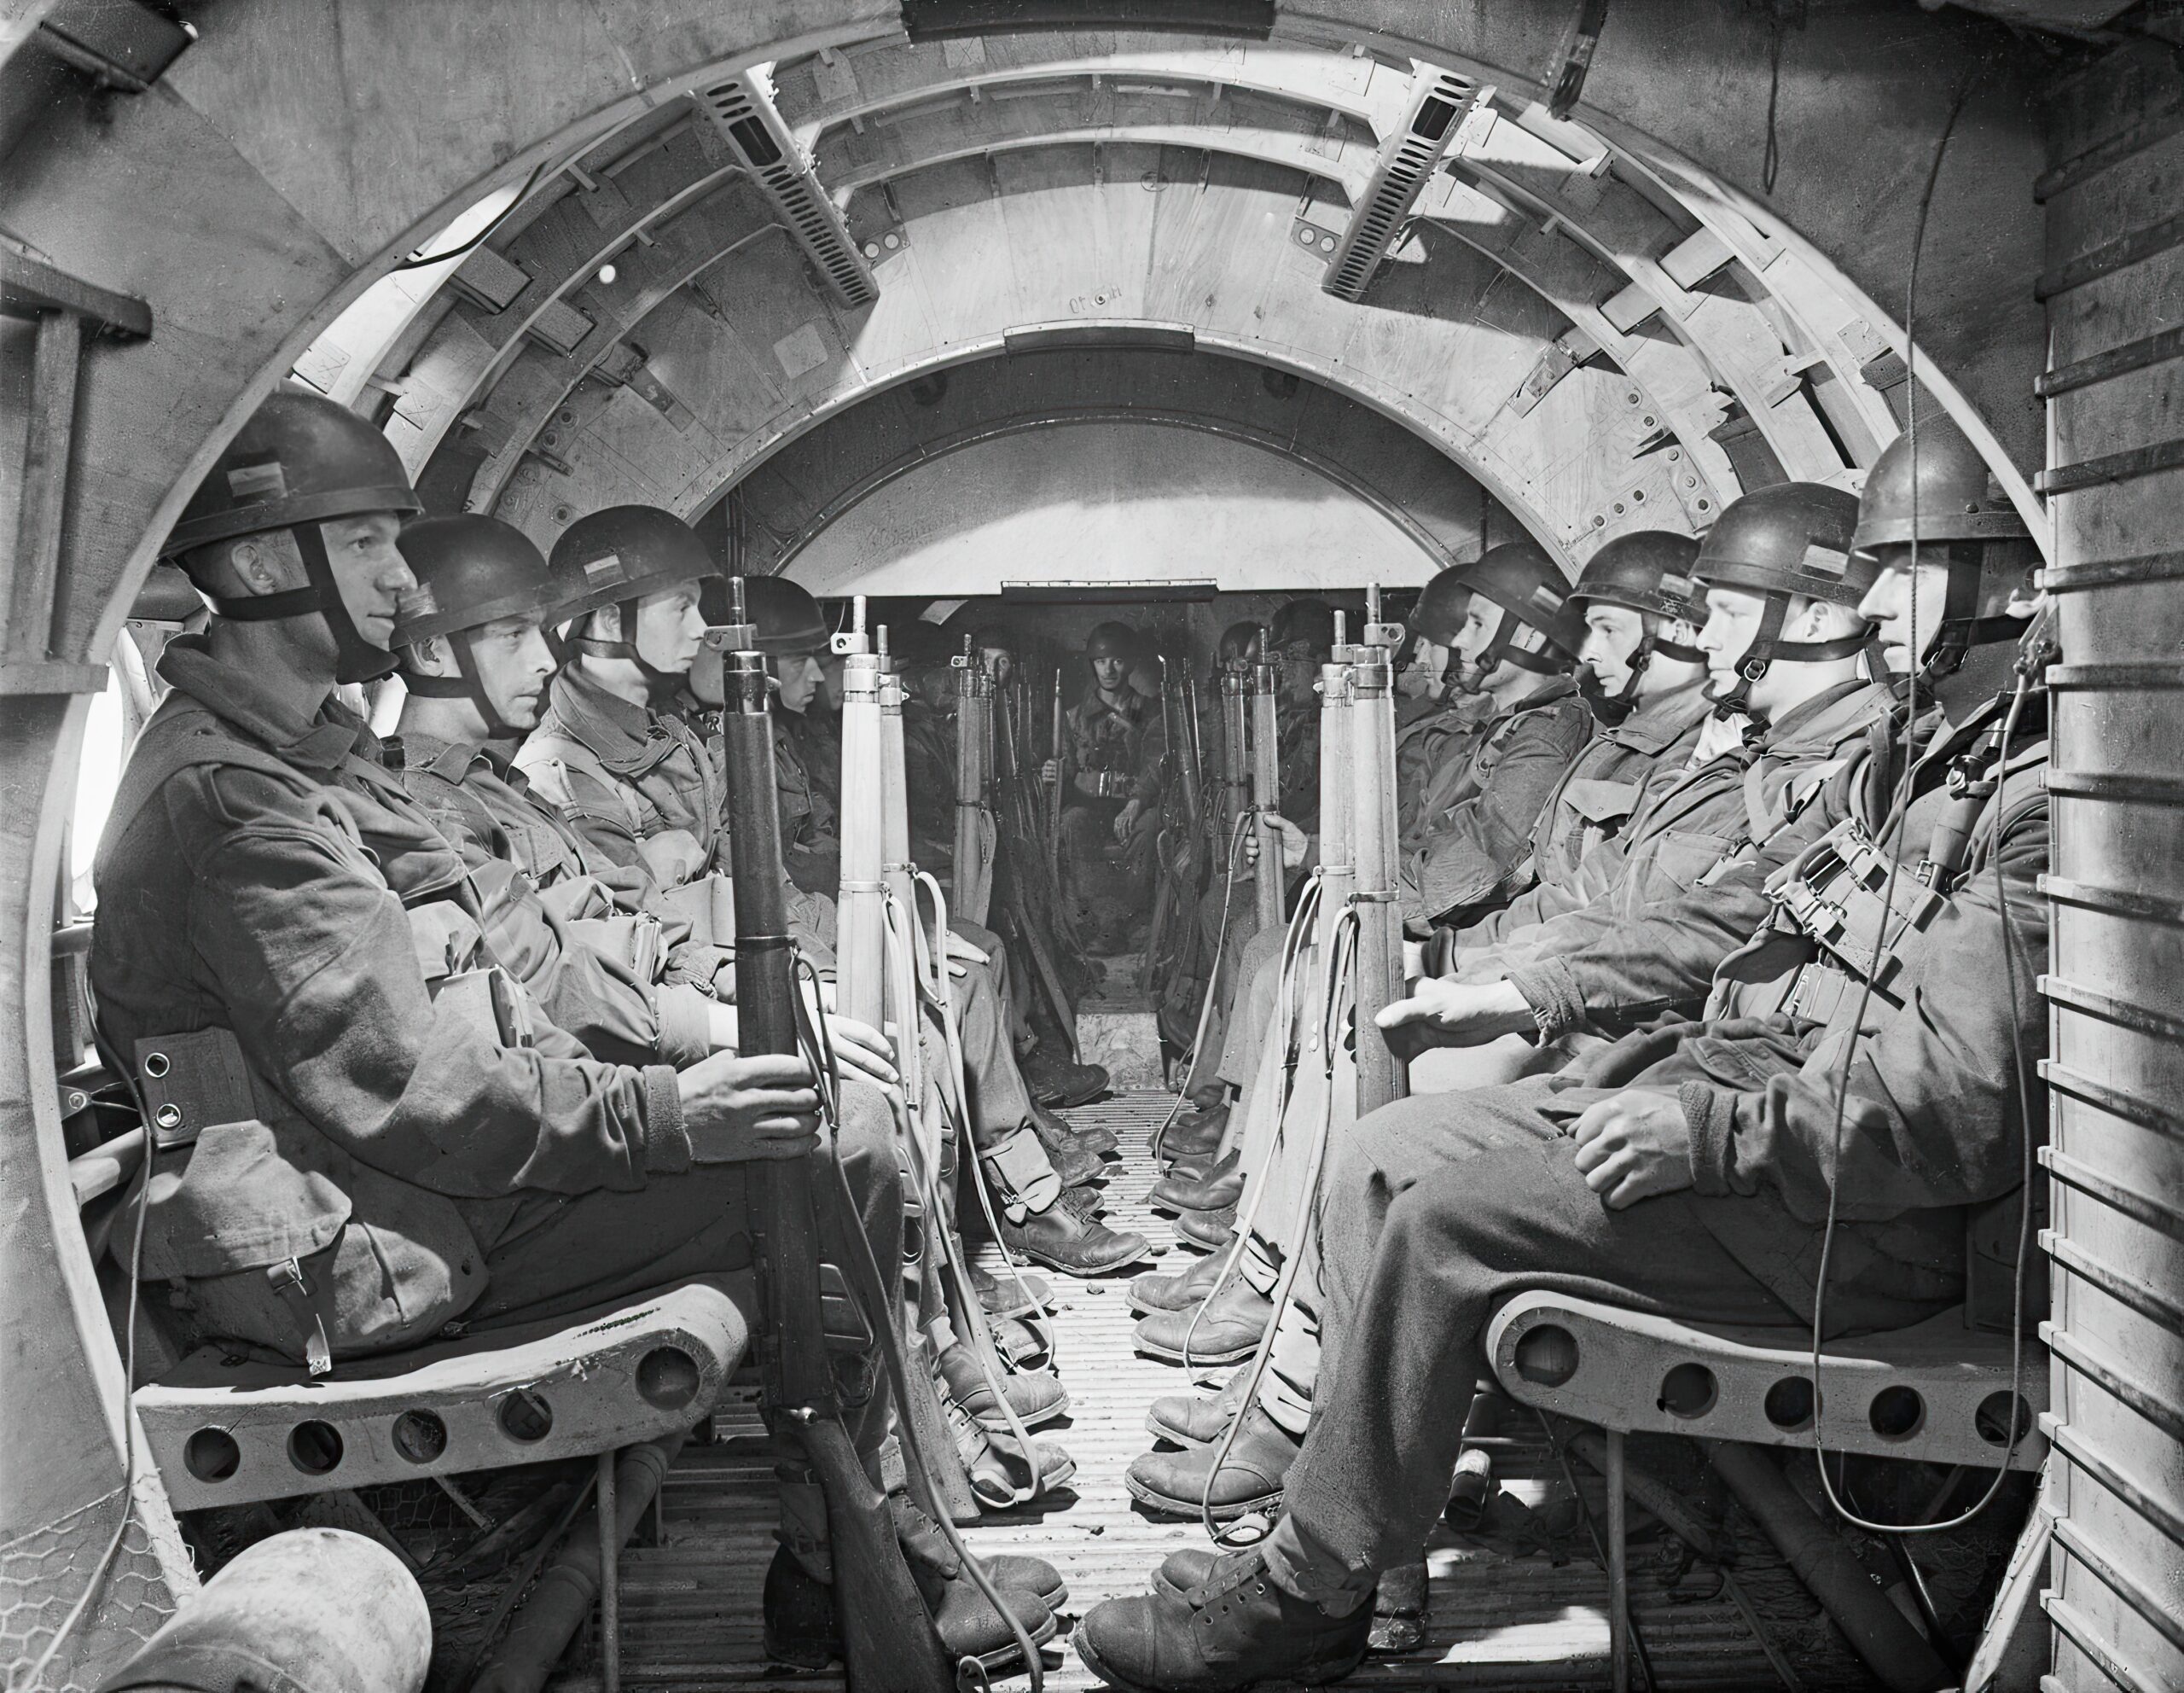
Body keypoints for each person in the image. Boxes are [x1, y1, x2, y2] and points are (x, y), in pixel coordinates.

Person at [1073, 426, 2049, 1691]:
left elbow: (1961, 1109)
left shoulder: (2028, 814)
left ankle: (1301, 1600)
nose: (1868, 607)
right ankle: (1338, 1535)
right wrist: (1524, 988)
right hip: (1744, 1130)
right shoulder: (1908, 764)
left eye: (1904, 573)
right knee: (1382, 1153)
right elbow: (1724, 915)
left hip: (1846, 1220)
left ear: (2015, 591)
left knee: (1445, 1225)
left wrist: (1708, 1136)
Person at [87, 396, 1053, 1663]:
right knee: (831, 1150)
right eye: (371, 544)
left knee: (830, 1134)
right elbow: (422, 1084)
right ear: (270, 566)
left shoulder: (313, 769)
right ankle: (860, 1558)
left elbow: (512, 973)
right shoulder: (240, 807)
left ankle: (857, 1551)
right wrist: (667, 1115)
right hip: (356, 1252)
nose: (396, 578)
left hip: (405, 1196)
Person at [1124, 485, 1901, 1502]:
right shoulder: (1753, 757)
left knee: (1403, 1100)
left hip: (1725, 1101)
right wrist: (1516, 978)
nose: (1697, 636)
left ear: (1808, 621)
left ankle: (1332, 1422)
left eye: (1713, 614)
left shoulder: (1850, 766)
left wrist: (1513, 984)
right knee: (1373, 1068)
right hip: (1678, 1054)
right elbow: (1645, 911)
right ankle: (1297, 1354)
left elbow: (1695, 935)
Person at [1397, 542, 1594, 928]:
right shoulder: (1508, 726)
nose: (1459, 642)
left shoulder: (1547, 734)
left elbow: (1479, 866)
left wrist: (1370, 896)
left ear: (1525, 638)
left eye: (1478, 625)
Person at [1043, 620, 1167, 953]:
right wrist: (1052, 773)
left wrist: (1136, 803)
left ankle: (1133, 920)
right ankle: (1102, 922)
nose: (1109, 669)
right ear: (1092, 665)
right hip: (1091, 807)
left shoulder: (1151, 711)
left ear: (1130, 663)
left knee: (1152, 826)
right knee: (1071, 822)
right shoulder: (1073, 717)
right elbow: (1066, 772)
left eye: (1117, 660)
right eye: (1101, 661)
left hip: (1135, 805)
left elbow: (1156, 762)